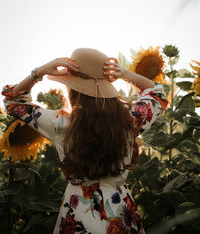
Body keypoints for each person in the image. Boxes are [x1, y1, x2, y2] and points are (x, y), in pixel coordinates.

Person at [2, 48, 168, 234]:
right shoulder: (129, 120)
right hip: (120, 210)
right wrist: (125, 74)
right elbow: (157, 93)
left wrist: (39, 72)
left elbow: (13, 102)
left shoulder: (62, 124)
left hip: (78, 210)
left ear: (72, 89)